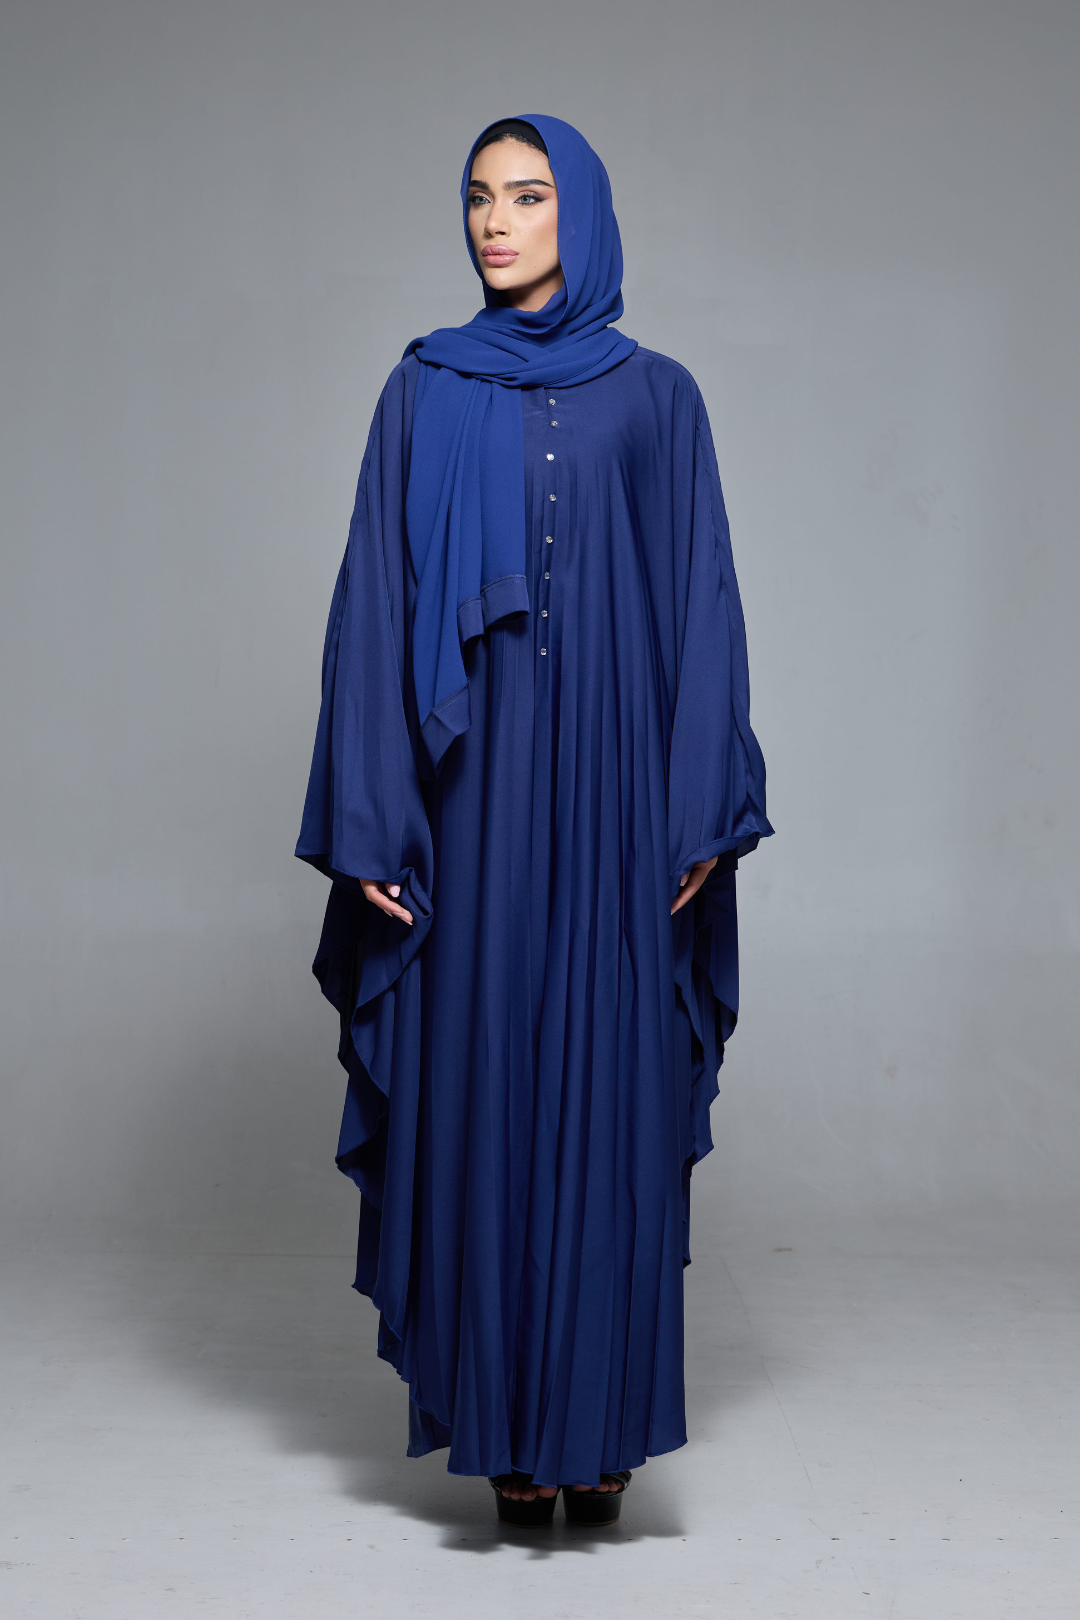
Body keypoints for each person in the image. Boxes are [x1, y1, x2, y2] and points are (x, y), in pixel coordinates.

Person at [296, 114, 772, 1528]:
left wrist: (703, 805)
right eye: (478, 197)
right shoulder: (424, 389)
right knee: (484, 1084)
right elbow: (373, 601)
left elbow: (704, 600)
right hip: (469, 797)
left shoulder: (660, 397)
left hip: (622, 791)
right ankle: (506, 1426)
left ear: (584, 213)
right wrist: (372, 818)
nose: (496, 221)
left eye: (528, 195)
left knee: (612, 1090)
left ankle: (600, 1422)